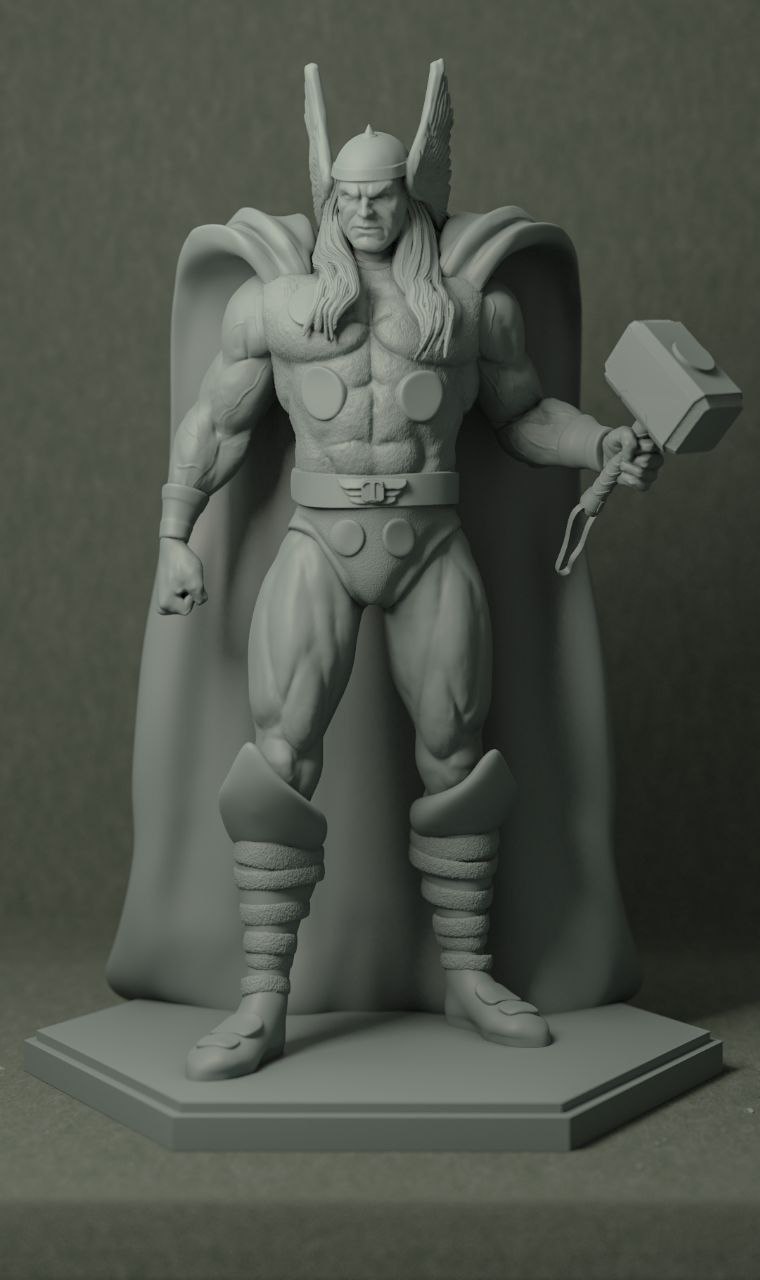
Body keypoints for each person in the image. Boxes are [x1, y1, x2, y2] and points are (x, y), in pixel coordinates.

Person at [153, 62, 661, 1080]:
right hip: (320, 541)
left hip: (429, 545)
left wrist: (600, 442)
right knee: (279, 752)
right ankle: (263, 996)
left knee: (458, 750)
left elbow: (523, 416)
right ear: (326, 196)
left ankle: (469, 975)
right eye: (346, 196)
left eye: (379, 195)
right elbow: (214, 423)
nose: (362, 212)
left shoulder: (470, 312)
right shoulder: (275, 308)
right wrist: (174, 532)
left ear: (411, 194)